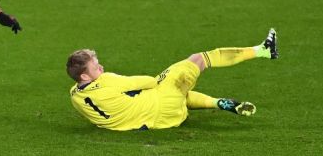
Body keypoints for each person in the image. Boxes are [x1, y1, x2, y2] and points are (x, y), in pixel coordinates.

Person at [66, 29, 279, 130]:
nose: (101, 67)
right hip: (164, 104)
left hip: (156, 122)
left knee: (175, 92)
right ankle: (263, 51)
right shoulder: (109, 80)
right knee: (197, 60)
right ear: (85, 75)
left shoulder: (75, 95)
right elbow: (150, 81)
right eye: (96, 66)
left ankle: (218, 103)